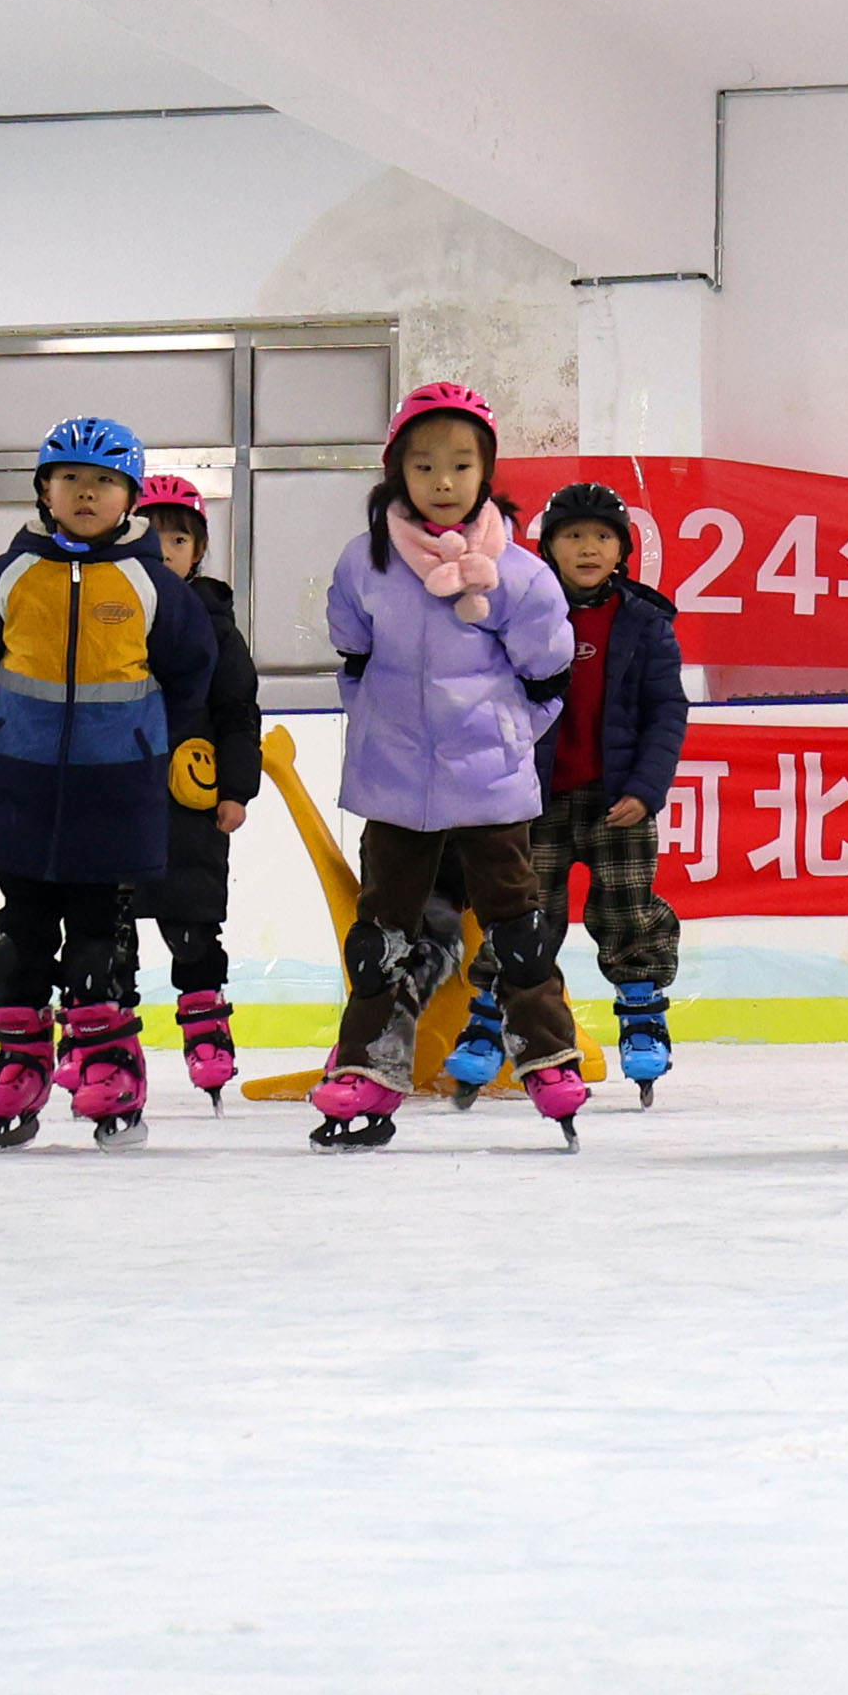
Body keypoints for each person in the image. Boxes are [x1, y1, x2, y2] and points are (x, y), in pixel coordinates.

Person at [306, 383, 582, 1145]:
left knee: (516, 926)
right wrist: (383, 731)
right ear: (398, 471)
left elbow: (548, 674)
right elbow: (354, 656)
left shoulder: (519, 573)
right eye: (424, 466)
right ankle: (366, 1065)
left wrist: (505, 736)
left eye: (461, 465)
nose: (443, 481)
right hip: (393, 783)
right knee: (381, 935)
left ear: (485, 471)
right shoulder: (365, 564)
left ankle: (548, 1055)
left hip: (490, 785)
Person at [0, 417, 206, 1147]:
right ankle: (20, 1064)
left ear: (131, 497)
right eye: (69, 479)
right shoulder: (3, 577)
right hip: (17, 782)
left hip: (112, 788)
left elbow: (189, 673)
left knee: (98, 936)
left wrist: (141, 742)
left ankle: (109, 1066)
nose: (85, 493)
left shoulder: (153, 586)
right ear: (44, 490)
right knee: (20, 932)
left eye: (103, 481)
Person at [503, 478, 690, 1101]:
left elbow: (666, 711)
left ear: (622, 551)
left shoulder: (645, 621)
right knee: (527, 912)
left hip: (619, 800)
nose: (588, 548)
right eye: (574, 536)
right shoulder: (523, 614)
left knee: (628, 909)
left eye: (603, 537)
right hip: (535, 800)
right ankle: (496, 1020)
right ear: (548, 548)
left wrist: (647, 788)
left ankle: (642, 1016)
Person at [128, 473, 267, 1106]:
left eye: (178, 539)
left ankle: (207, 1030)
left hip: (189, 803)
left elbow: (237, 712)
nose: (163, 549)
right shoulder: (106, 610)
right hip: (114, 795)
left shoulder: (215, 626)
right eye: (150, 535)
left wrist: (236, 790)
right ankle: (103, 1043)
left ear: (199, 550)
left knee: (192, 923)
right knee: (105, 926)